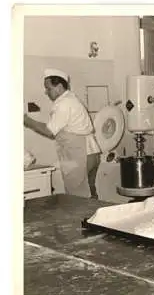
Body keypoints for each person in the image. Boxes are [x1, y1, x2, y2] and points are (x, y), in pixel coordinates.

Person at [24, 68, 101, 199]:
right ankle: (95, 219)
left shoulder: (64, 104)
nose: (46, 92)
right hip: (92, 152)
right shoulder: (71, 99)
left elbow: (49, 131)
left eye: (48, 88)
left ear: (59, 87)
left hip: (79, 154)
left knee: (77, 197)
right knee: (91, 192)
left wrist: (26, 120)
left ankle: (81, 219)